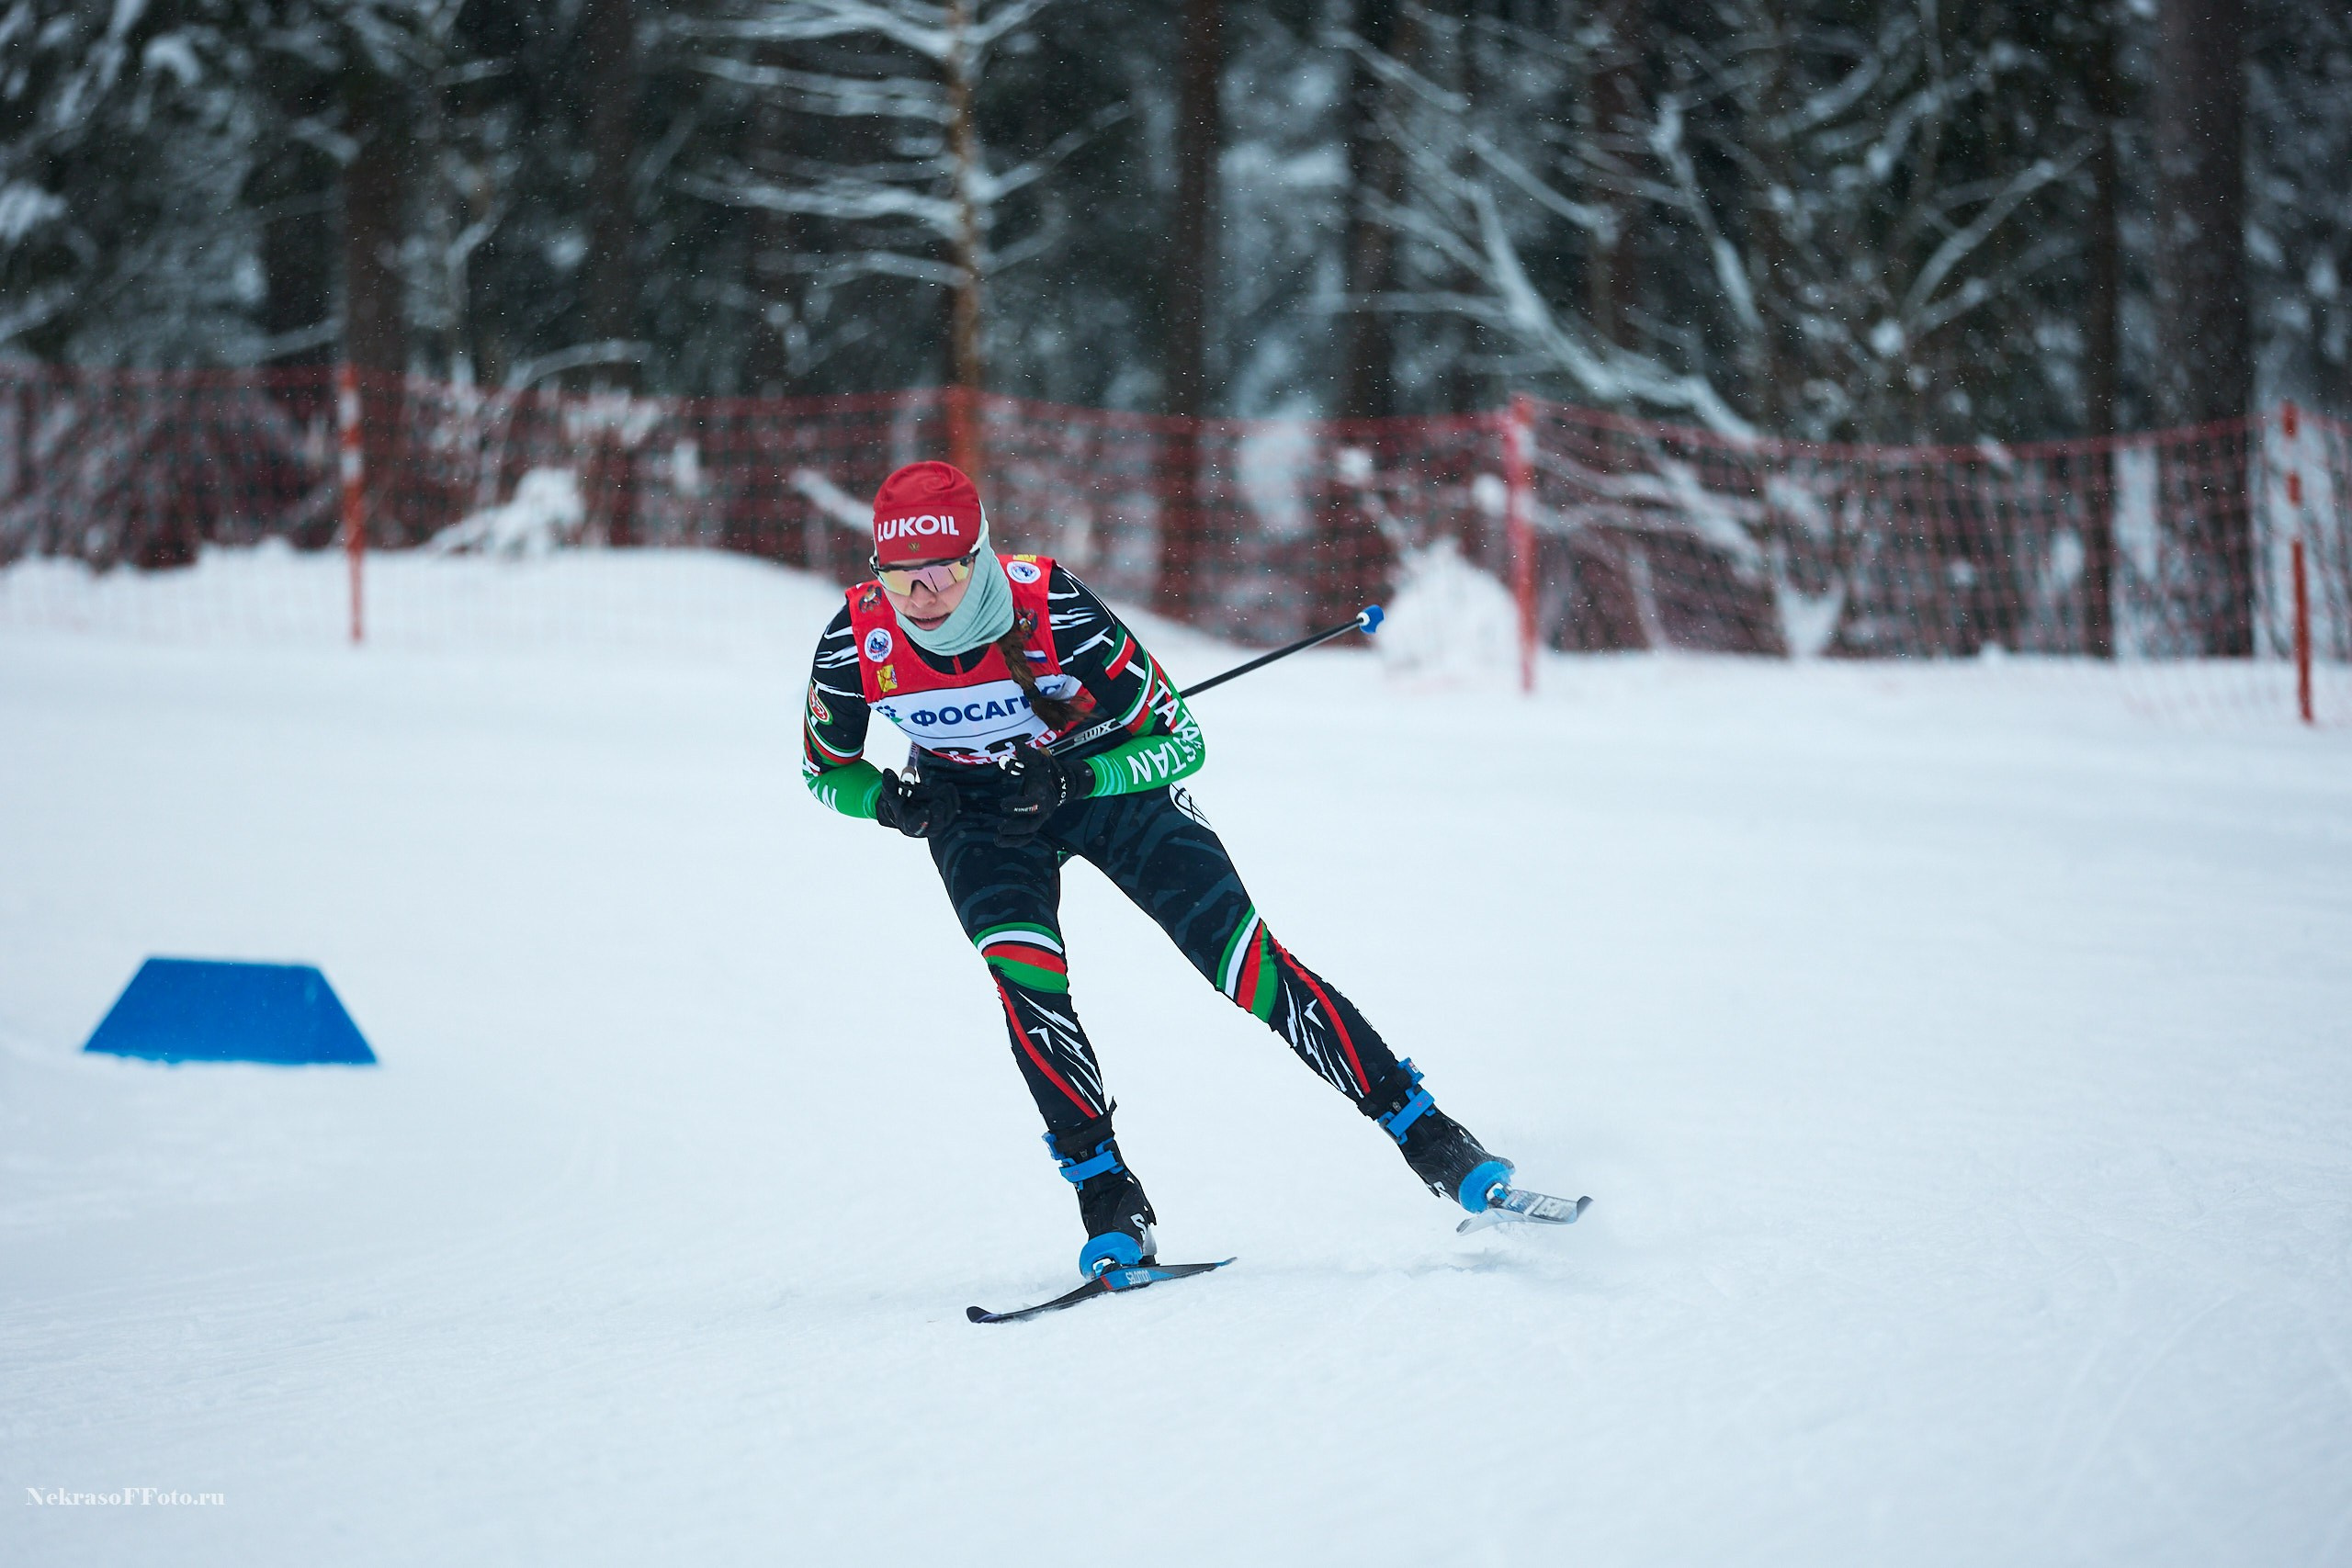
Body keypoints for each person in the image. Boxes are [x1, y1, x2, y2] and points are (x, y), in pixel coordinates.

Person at [801, 460, 1519, 1279]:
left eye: (943, 571)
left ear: (982, 556)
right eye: (899, 576)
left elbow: (1182, 741)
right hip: (979, 815)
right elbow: (826, 769)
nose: (921, 594)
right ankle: (1109, 1200)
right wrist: (891, 803)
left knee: (1242, 963)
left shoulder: (1050, 607)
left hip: (1107, 784)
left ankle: (1432, 1138)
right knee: (1025, 977)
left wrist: (1078, 776)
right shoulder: (860, 640)